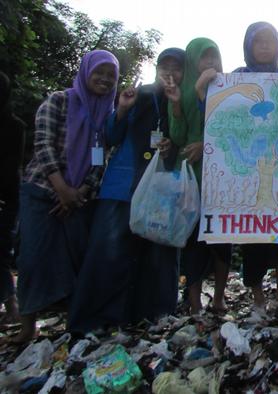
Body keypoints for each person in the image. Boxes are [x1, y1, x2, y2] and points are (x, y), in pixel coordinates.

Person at [68, 48, 185, 333]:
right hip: (123, 187)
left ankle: (152, 319)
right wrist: (121, 109)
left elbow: (184, 137)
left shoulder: (183, 101)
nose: (170, 71)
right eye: (164, 65)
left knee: (157, 257)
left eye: (177, 67)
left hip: (160, 193)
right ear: (156, 68)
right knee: (109, 255)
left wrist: (173, 132)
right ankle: (97, 322)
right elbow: (111, 136)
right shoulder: (138, 94)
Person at [13, 50, 119, 342]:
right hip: (43, 191)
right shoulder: (59, 100)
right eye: (99, 72)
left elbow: (101, 161)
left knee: (78, 261)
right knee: (33, 258)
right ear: (86, 72)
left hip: (81, 199)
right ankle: (27, 326)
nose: (105, 80)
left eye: (111, 75)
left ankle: (74, 323)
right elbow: (43, 144)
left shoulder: (106, 117)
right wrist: (62, 188)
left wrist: (80, 192)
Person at [233, 22, 278, 309]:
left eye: (271, 40)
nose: (266, 46)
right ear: (248, 47)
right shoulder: (235, 78)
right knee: (251, 239)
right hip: (251, 167)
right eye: (259, 41)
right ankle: (257, 298)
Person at [171, 38, 231, 315]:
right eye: (204, 58)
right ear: (193, 62)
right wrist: (185, 99)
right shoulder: (181, 92)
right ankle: (194, 302)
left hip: (222, 175)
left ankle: (219, 298)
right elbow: (177, 136)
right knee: (194, 241)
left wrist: (206, 145)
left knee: (222, 241)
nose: (210, 64)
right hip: (193, 175)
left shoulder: (229, 88)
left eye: (214, 57)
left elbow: (228, 128)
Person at [0, 72, 25, 324]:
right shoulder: (15, 124)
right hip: (9, 197)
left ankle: (12, 307)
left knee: (1, 254)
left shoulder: (13, 126)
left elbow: (10, 166)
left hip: (5, 198)